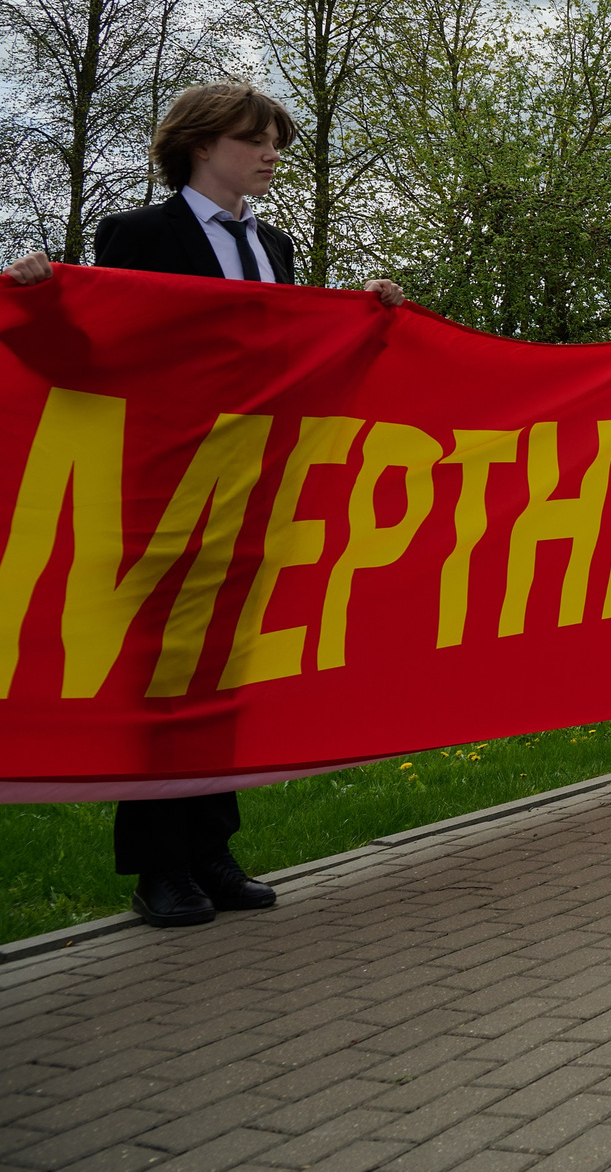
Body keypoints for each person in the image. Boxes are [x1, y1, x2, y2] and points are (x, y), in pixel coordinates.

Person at [3, 83, 404, 929]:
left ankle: (212, 844)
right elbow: (98, 356)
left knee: (224, 670)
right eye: (252, 138)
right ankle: (158, 866)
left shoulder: (279, 247)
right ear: (197, 144)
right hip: (163, 481)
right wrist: (37, 300)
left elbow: (294, 361)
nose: (269, 154)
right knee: (163, 677)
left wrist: (367, 321)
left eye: (274, 142)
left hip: (250, 486)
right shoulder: (138, 235)